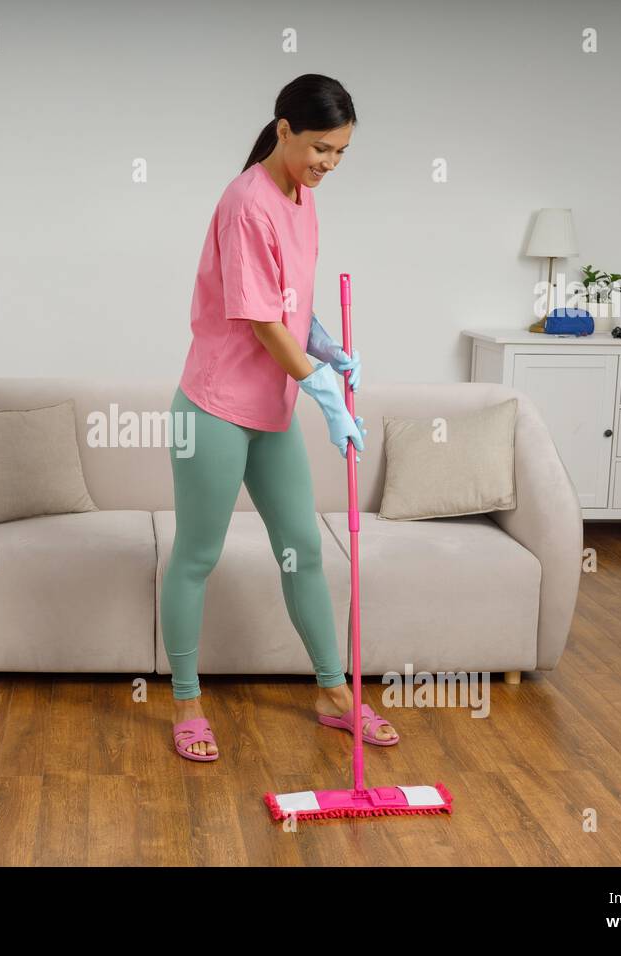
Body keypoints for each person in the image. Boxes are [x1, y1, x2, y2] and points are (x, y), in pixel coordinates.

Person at [163, 74, 400, 761]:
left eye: (342, 152)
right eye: (321, 147)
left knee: (302, 545)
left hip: (270, 406)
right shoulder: (246, 203)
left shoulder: (303, 198)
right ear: (283, 129)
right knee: (197, 555)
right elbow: (260, 317)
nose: (328, 163)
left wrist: (321, 338)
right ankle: (185, 700)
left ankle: (333, 692)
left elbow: (288, 300)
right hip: (212, 407)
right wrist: (322, 385)